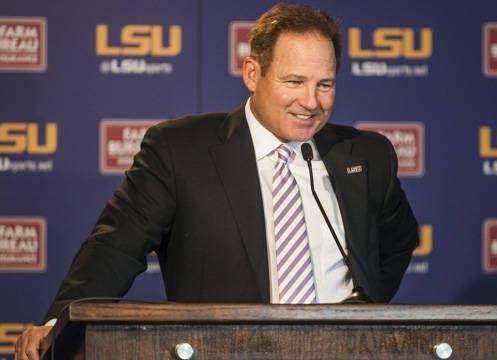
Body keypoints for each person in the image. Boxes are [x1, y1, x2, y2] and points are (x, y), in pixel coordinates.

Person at [15, 3, 418, 359]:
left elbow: (397, 241)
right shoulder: (180, 150)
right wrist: (58, 326)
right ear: (252, 73)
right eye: (294, 82)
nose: (311, 102)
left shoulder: (367, 154)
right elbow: (115, 247)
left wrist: (363, 312)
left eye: (325, 84)